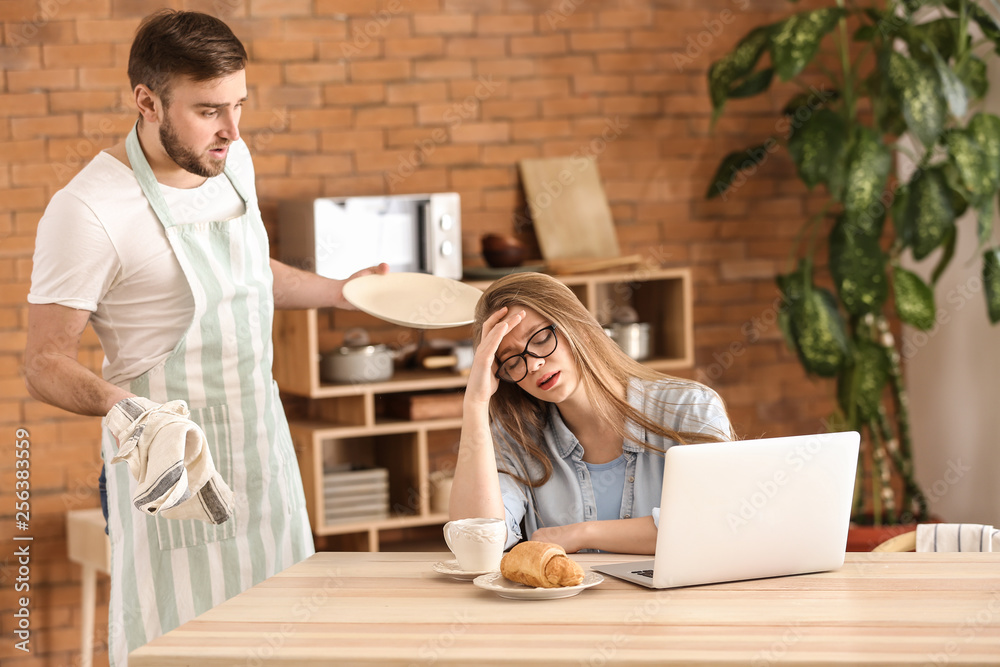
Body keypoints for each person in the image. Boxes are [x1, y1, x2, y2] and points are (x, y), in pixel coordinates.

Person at [23, 10, 385, 665]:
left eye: (240, 105)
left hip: (263, 452)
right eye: (210, 110)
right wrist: (125, 411)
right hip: (170, 468)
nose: (233, 130)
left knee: (286, 640)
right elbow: (43, 361)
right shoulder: (88, 210)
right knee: (183, 644)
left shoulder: (231, 161)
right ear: (147, 101)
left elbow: (247, 274)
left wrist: (338, 290)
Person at [449, 272, 735, 555]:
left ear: (580, 328)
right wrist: (475, 402)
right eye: (512, 360)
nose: (533, 364)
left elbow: (715, 523)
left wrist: (580, 534)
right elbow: (475, 544)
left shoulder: (689, 407)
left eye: (540, 338)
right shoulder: (517, 436)